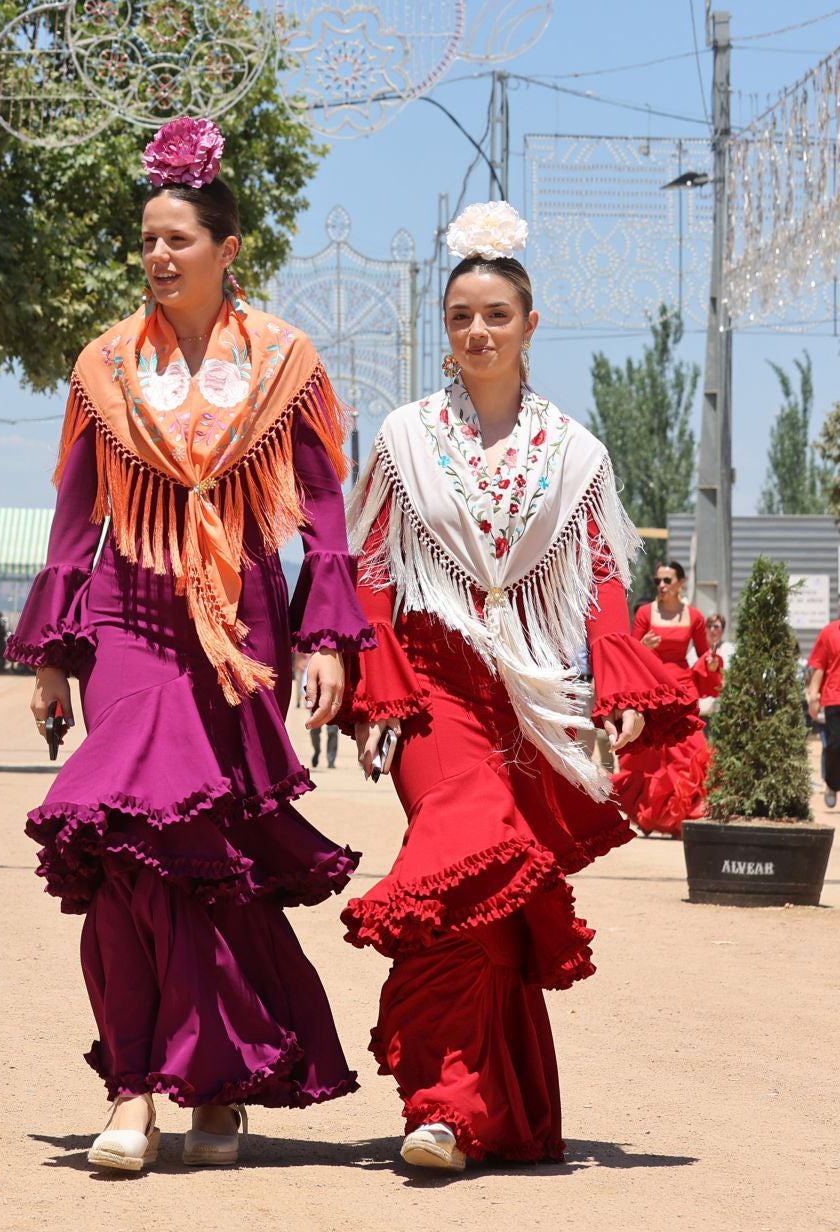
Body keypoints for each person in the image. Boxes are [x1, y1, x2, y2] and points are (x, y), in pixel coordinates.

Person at [11, 118, 366, 1174]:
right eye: (147, 240)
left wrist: (327, 639)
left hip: (245, 628)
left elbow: (324, 505)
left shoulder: (286, 362)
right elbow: (76, 519)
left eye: (179, 238)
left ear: (227, 247)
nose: (159, 256)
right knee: (128, 845)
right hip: (129, 614)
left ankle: (216, 1079)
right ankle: (132, 1089)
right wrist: (53, 653)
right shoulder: (105, 366)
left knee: (217, 861)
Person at [343, 202, 693, 1171]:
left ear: (529, 325)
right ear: (445, 329)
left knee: (494, 894)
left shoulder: (575, 452)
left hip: (532, 698)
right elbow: (370, 564)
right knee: (466, 853)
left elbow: (602, 574)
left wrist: (619, 677)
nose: (477, 331)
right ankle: (445, 1100)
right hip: (432, 683)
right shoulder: (405, 436)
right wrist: (375, 684)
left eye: (496, 313)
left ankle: (483, 1108)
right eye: (461, 315)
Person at [610, 560, 717, 836]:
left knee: (690, 752)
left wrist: (714, 665)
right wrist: (642, 646)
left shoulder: (694, 616)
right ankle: (651, 815)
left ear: (681, 583)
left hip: (682, 690)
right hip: (653, 689)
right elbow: (629, 650)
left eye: (667, 581)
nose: (661, 586)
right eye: (658, 581)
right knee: (649, 757)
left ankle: (682, 817)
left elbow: (705, 655)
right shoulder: (645, 613)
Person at [805, 615, 840, 808]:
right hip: (835, 698)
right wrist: (813, 697)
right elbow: (819, 666)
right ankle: (832, 784)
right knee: (835, 745)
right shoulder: (830, 632)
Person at [297, 652, 339, 768]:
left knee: (332, 731)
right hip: (316, 700)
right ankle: (317, 751)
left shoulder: (336, 657)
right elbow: (305, 682)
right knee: (315, 730)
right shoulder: (313, 661)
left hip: (332, 699)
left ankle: (331, 760)